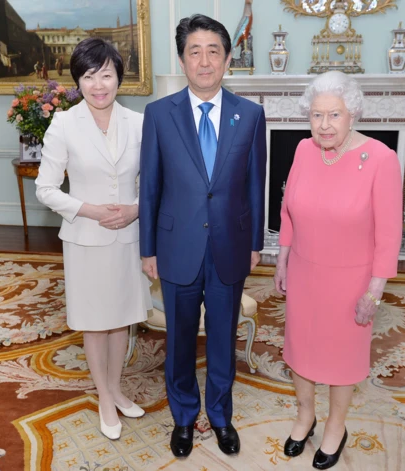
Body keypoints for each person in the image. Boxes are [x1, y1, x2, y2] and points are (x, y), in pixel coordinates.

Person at [139, 14, 266, 459]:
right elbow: (150, 185)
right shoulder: (159, 114)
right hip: (176, 248)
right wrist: (148, 248)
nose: (205, 60)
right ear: (182, 59)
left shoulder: (250, 115)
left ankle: (220, 415)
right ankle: (183, 418)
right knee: (178, 342)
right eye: (195, 51)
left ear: (228, 59)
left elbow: (255, 183)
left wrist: (255, 244)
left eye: (214, 50)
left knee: (222, 340)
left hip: (230, 247)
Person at [274, 71, 402, 470]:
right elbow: (288, 209)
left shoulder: (382, 158)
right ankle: (305, 415)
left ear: (352, 115)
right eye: (316, 115)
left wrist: (375, 289)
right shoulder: (303, 150)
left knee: (342, 357)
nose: (324, 125)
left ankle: (336, 425)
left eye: (334, 115)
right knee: (300, 349)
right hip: (304, 272)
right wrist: (282, 257)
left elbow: (389, 233)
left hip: (351, 280)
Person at [35, 37, 151, 441]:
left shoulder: (138, 122)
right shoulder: (64, 123)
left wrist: (135, 209)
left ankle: (116, 387)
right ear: (78, 81)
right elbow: (46, 189)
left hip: (129, 237)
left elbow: (154, 182)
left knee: (121, 318)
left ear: (120, 76)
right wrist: (92, 209)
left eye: (106, 74)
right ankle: (104, 396)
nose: (99, 84)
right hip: (85, 237)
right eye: (89, 76)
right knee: (95, 322)